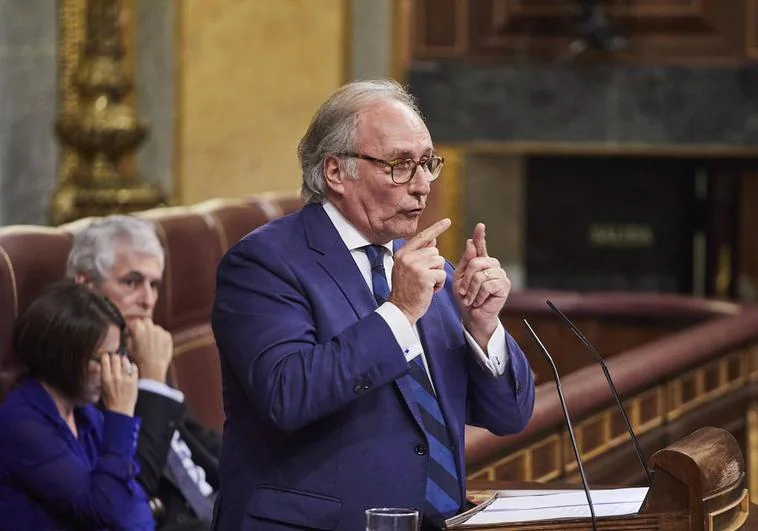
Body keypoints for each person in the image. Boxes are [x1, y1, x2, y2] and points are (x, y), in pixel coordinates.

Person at [211, 79, 536, 530]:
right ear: (336, 172)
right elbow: (287, 394)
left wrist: (482, 327)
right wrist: (399, 313)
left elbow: (508, 416)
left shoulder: (426, 268)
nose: (423, 186)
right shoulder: (263, 263)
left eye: (427, 163)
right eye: (401, 165)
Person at [67, 216, 221, 531]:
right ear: (85, 285)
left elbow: (196, 442)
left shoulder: (135, 350)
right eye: (131, 282)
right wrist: (151, 380)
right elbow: (130, 489)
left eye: (154, 285)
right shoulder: (76, 372)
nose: (148, 300)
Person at [0, 282, 154, 530]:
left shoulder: (86, 414)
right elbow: (104, 510)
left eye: (119, 354)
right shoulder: (20, 425)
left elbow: (135, 507)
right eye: (103, 359)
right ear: (63, 357)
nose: (113, 371)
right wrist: (121, 414)